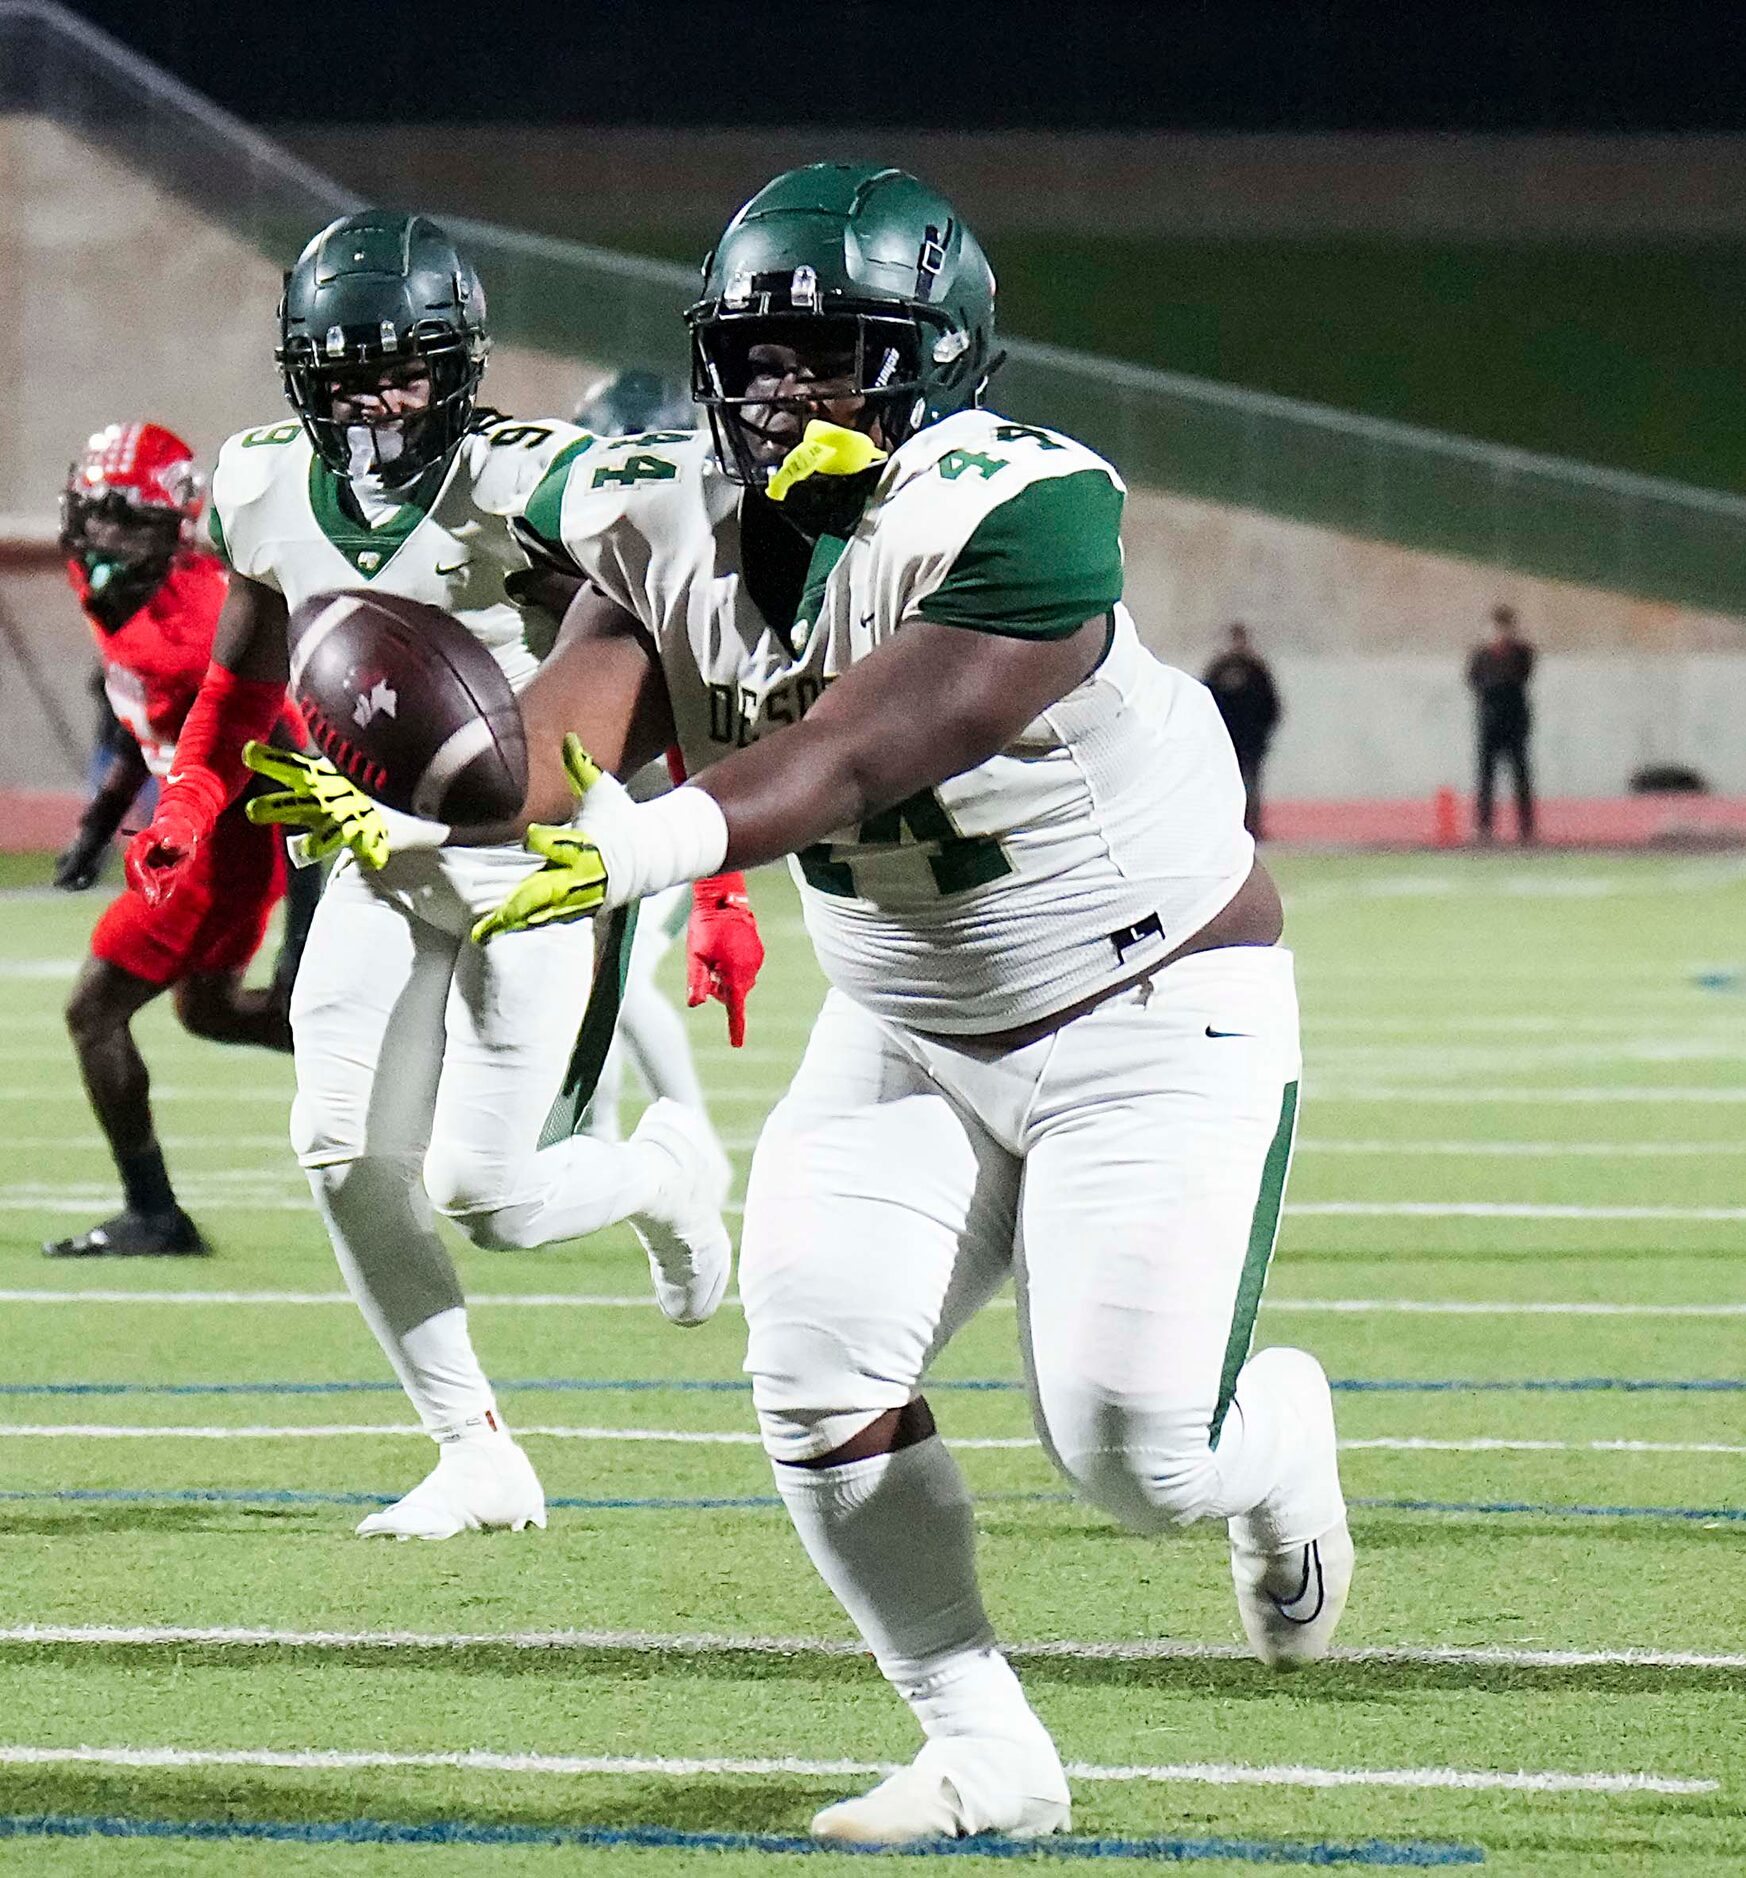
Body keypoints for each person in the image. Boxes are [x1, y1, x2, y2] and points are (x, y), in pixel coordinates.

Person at [282, 166, 1351, 1842]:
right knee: (815, 1373)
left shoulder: (1023, 504)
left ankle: (1277, 1449)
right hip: (905, 1024)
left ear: (931, 362)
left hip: (1146, 1001)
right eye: (754, 358)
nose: (780, 392)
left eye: (830, 356)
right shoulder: (661, 523)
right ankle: (984, 1748)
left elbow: (865, 746)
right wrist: (438, 789)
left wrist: (648, 848)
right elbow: (568, 730)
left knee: (1137, 1453)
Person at [123, 211, 737, 1540]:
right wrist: (189, 792)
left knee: (490, 1197)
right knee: (337, 1149)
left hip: (535, 865)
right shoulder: (265, 481)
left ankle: (664, 1169)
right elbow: (241, 660)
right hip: (371, 851)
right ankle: (476, 1451)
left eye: (401, 368)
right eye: (344, 371)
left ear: (461, 366)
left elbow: (670, 616)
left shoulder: (538, 477)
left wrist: (722, 875)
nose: (374, 398)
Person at [45, 422, 296, 1259]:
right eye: (98, 514)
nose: (108, 536)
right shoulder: (100, 578)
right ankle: (401, 1062)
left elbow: (294, 768)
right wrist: (96, 819)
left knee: (93, 1012)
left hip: (226, 838)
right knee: (211, 1013)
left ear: (175, 528)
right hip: (185, 827)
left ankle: (153, 1213)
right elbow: (131, 706)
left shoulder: (203, 624)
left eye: (130, 520)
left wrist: (304, 932)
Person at [565, 372, 761, 1144]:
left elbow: (699, 728)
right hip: (602, 814)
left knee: (625, 987)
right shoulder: (583, 550)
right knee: (592, 987)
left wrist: (720, 885)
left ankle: (692, 1149)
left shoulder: (699, 559)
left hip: (670, 817)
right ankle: (593, 1143)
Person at [1201, 622, 1281, 836]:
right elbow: (1206, 702)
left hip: (1251, 741)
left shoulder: (1256, 670)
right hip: (1225, 740)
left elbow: (1270, 705)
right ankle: (1229, 828)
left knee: (1250, 785)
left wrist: (1261, 732)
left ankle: (1251, 827)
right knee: (1225, 785)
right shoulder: (1219, 669)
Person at [1466, 603, 1534, 842]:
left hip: (1515, 719)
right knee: (1486, 775)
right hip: (1489, 720)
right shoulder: (1481, 655)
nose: (1500, 632)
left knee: (1520, 773)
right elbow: (1473, 680)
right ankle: (1484, 826)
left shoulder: (1522, 652)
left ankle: (1526, 827)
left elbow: (1521, 676)